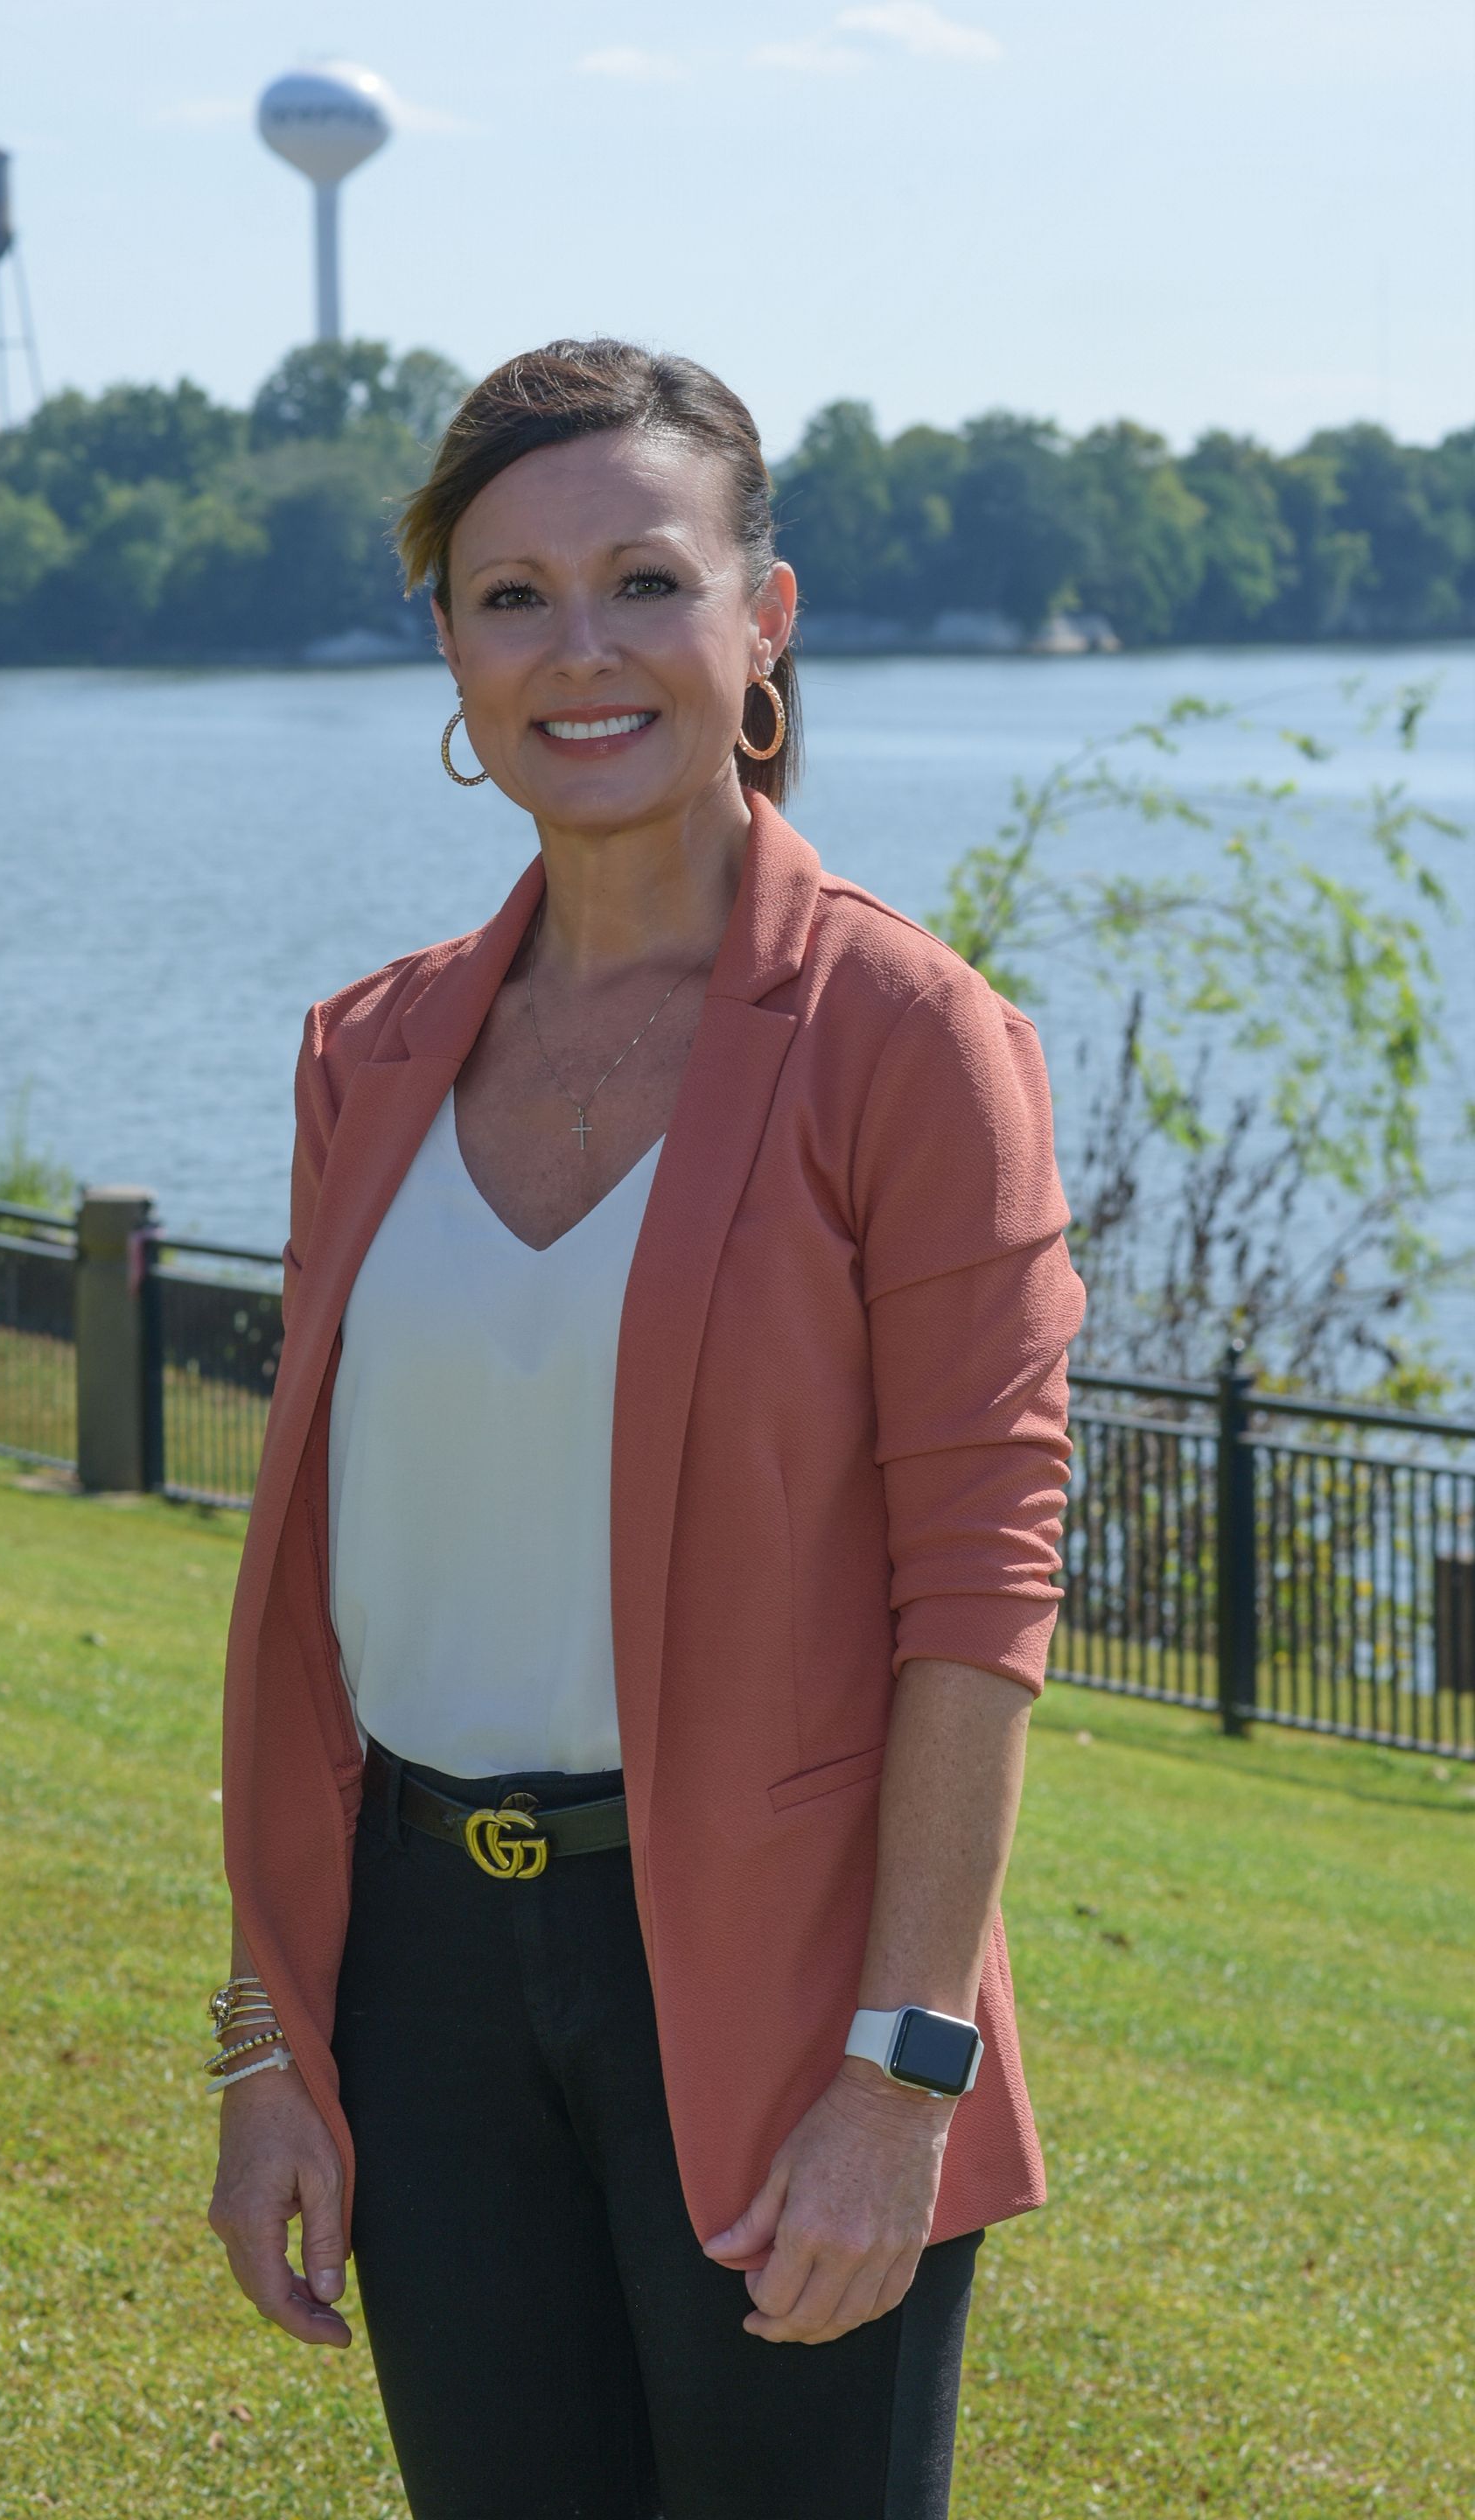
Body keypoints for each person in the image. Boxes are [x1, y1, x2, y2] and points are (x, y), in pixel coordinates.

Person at [206, 337, 1084, 2520]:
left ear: (759, 622)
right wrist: (271, 2042)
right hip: (418, 1982)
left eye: (642, 584)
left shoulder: (908, 1037)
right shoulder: (369, 1057)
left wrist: (901, 2074)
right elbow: (340, 1582)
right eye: (511, 597)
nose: (576, 654)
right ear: (448, 645)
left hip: (788, 1983)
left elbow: (979, 1595)